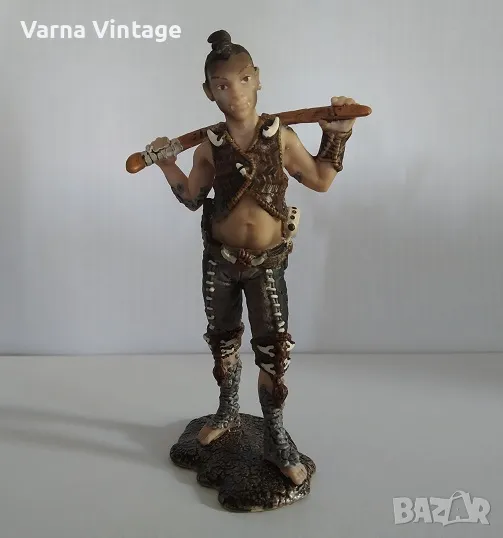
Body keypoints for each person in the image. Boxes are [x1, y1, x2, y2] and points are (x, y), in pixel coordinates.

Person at [147, 30, 357, 486]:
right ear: (209, 92)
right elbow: (192, 197)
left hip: (267, 265)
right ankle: (227, 411)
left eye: (243, 80)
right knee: (223, 342)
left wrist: (336, 137)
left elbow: (321, 180)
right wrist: (166, 163)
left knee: (273, 353)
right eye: (222, 84)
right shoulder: (209, 146)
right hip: (219, 263)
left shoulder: (280, 138)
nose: (235, 92)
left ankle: (275, 436)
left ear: (258, 79)